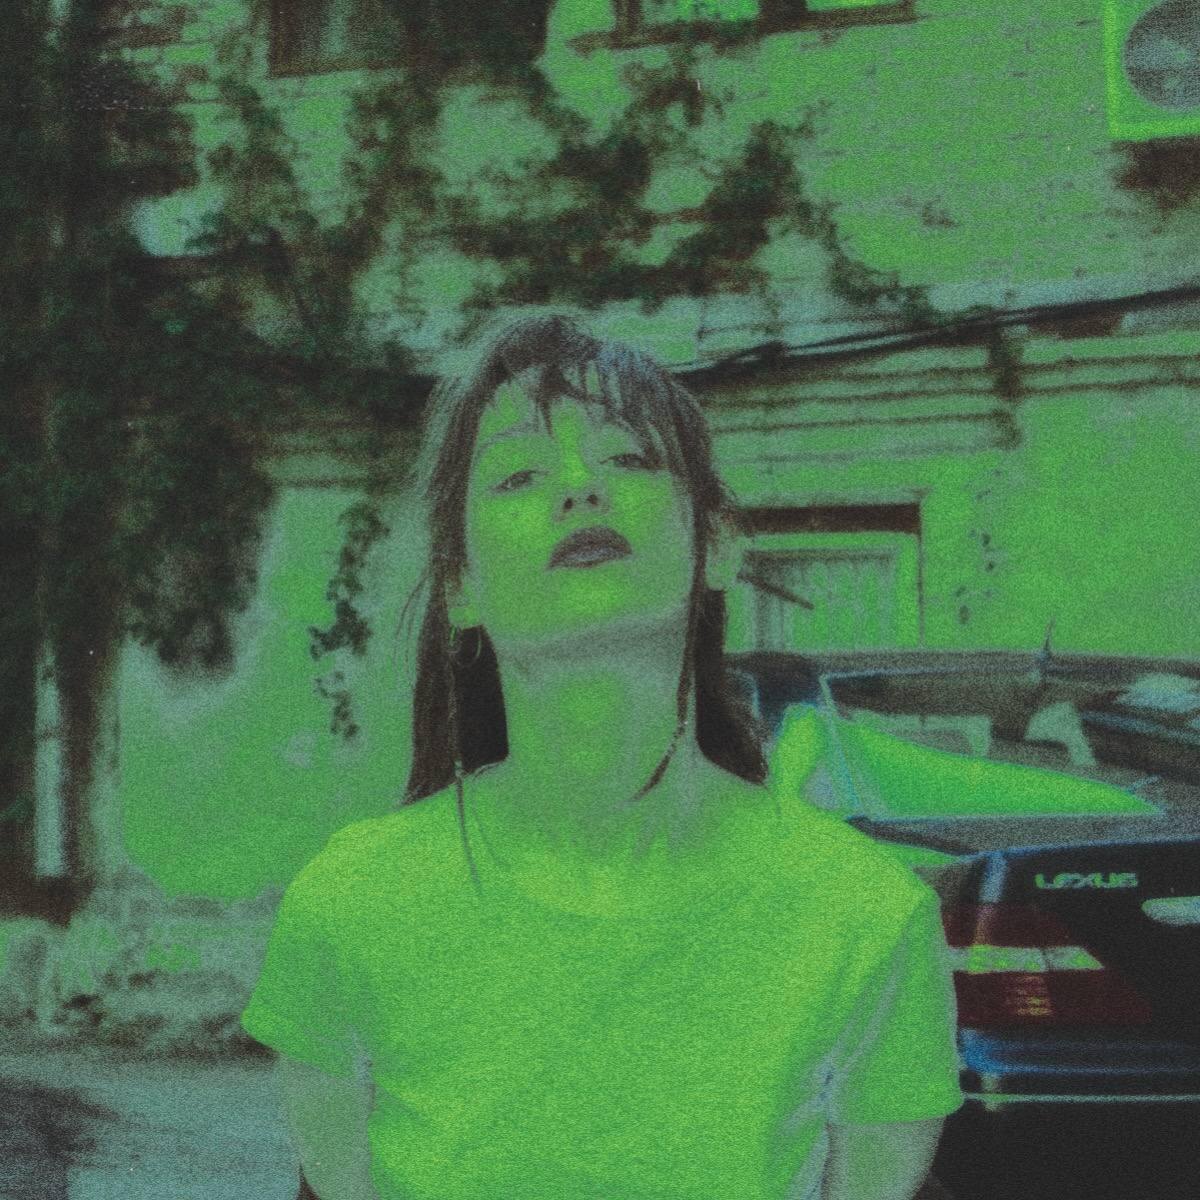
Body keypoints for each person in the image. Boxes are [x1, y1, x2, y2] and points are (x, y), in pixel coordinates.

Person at [240, 314, 964, 1200]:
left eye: (629, 459)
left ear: (716, 547)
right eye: (518, 475)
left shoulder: (866, 916)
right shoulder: (352, 903)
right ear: (461, 587)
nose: (581, 490)